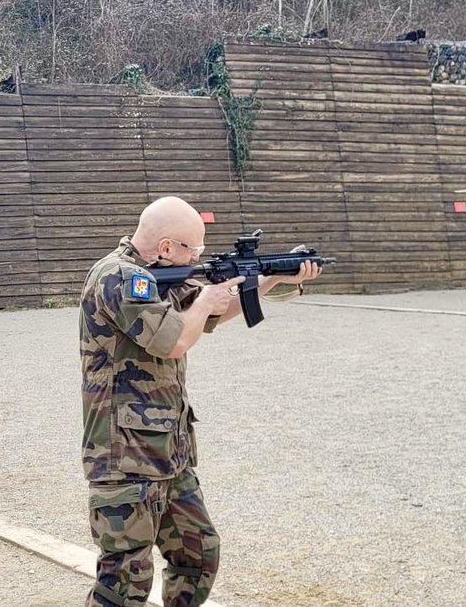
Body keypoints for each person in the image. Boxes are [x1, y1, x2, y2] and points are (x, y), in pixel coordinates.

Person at [80, 196, 322, 607]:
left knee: (199, 553)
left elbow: (206, 314)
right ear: (167, 247)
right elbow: (174, 339)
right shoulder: (119, 277)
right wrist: (207, 299)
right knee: (125, 580)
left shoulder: (160, 273)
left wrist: (268, 279)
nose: (199, 256)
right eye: (194, 248)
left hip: (168, 450)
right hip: (125, 455)